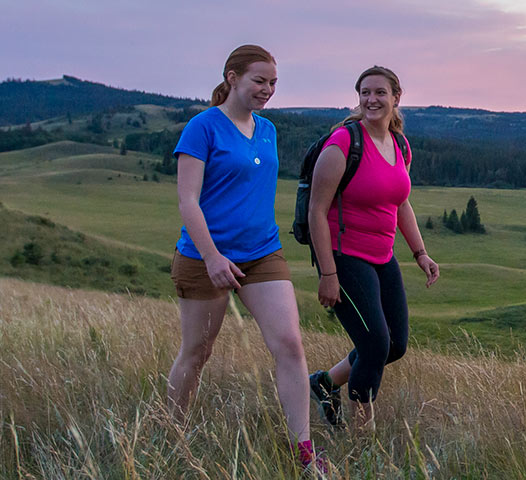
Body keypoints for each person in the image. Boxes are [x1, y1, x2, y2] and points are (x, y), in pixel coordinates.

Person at [164, 44, 323, 468]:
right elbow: (188, 201)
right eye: (259, 80)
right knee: (197, 354)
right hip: (204, 258)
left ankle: (302, 453)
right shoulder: (203, 127)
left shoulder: (268, 129)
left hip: (262, 253)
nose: (268, 89)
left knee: (290, 344)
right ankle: (170, 439)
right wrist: (213, 257)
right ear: (232, 77)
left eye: (273, 82)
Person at [306, 66, 441, 429]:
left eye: (380, 92)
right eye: (365, 92)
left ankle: (325, 383)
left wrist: (420, 252)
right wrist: (328, 274)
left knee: (395, 345)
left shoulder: (399, 145)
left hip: (382, 256)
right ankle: (362, 435)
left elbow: (400, 203)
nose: (371, 99)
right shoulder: (343, 144)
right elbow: (316, 211)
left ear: (397, 97)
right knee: (375, 345)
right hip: (342, 256)